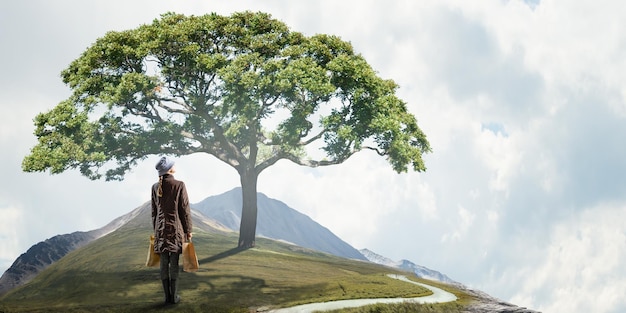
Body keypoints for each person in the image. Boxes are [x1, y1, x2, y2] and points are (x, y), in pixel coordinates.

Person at [151, 156, 192, 304]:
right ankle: (173, 297)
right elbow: (184, 209)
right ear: (170, 169)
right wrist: (188, 229)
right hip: (175, 230)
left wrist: (156, 230)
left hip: (160, 230)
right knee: (173, 262)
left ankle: (166, 297)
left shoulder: (155, 187)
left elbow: (154, 212)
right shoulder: (179, 185)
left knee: (163, 262)